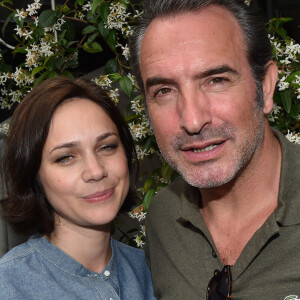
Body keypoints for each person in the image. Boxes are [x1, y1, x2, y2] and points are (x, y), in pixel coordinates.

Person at [129, 0, 300, 299]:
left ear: (267, 87)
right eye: (164, 91)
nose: (192, 120)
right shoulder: (164, 218)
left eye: (216, 80)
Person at [0, 77, 156, 300]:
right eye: (65, 157)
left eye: (107, 147)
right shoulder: (9, 286)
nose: (95, 171)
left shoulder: (152, 272)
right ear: (34, 175)